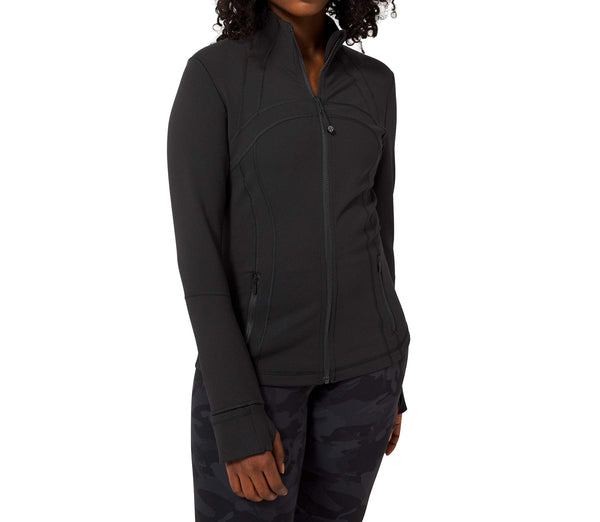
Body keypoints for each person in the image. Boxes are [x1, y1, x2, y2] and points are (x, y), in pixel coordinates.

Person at [167, 1, 411, 520]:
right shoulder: (213, 77)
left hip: (367, 381)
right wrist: (235, 411)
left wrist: (394, 383)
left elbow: (380, 232)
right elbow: (199, 259)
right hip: (257, 385)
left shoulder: (376, 83)